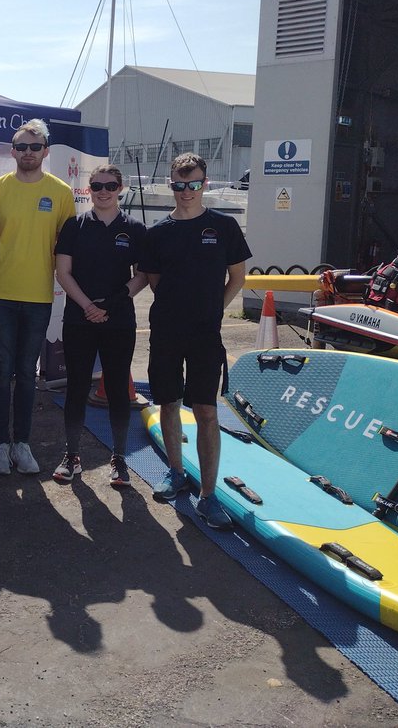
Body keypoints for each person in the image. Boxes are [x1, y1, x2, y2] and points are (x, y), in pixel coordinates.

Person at [139, 152, 250, 529]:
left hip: (206, 334)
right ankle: (175, 472)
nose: (186, 191)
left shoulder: (224, 226)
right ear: (171, 185)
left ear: (205, 184)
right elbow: (154, 282)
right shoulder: (156, 233)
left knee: (206, 411)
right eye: (179, 185)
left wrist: (214, 310)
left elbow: (237, 277)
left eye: (194, 184)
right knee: (168, 403)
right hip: (167, 331)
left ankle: (208, 494)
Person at [0, 120, 74, 475]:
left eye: (35, 147)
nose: (28, 153)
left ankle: (22, 443)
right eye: (21, 147)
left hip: (38, 297)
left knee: (26, 372)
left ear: (46, 151)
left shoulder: (62, 192)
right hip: (0, 294)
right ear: (12, 151)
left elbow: (65, 248)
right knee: (1, 371)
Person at [53, 166, 147, 487]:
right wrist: (89, 306)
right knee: (77, 388)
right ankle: (72, 456)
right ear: (89, 189)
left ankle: (119, 458)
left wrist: (113, 302)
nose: (103, 191)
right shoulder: (74, 226)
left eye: (110, 185)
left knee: (119, 390)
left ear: (121, 188)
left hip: (119, 321)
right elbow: (63, 272)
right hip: (79, 319)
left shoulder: (134, 228)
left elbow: (142, 274)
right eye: (96, 185)